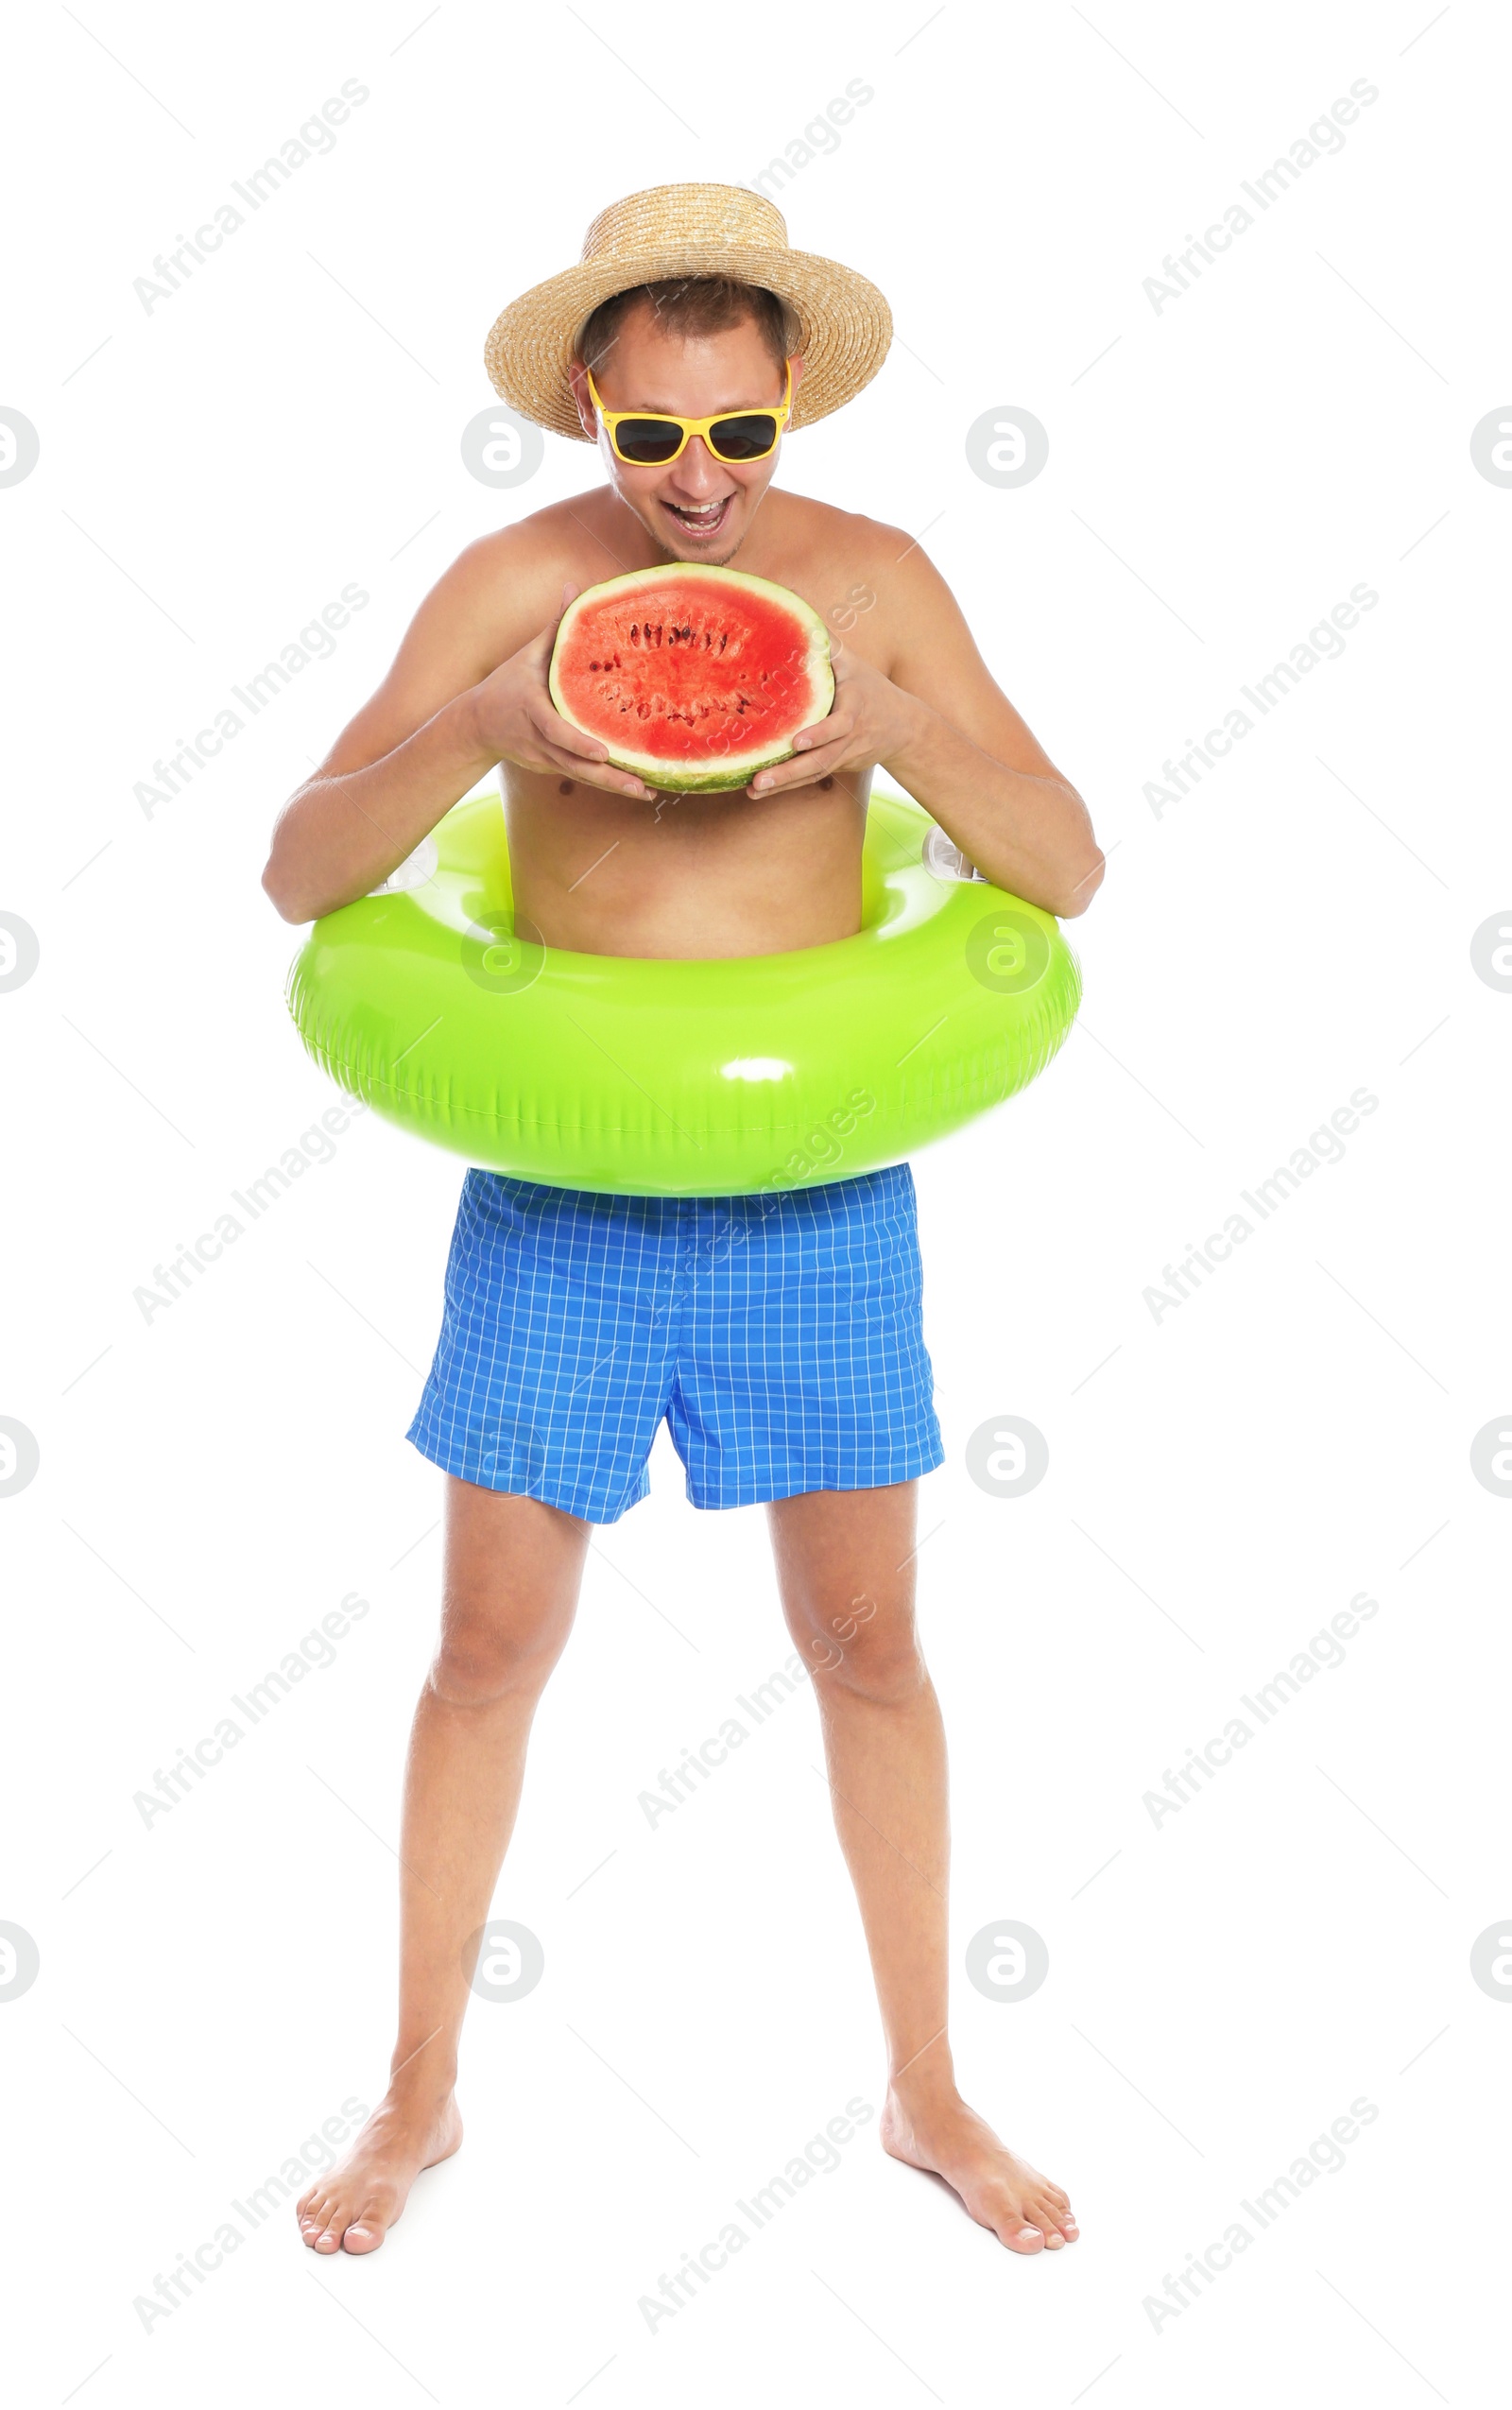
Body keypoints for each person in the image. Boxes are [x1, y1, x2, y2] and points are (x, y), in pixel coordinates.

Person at [262, 181, 1103, 2260]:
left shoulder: (882, 583)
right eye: (652, 436)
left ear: (788, 392)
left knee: (865, 1644)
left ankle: (925, 2089)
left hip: (815, 1193)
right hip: (560, 1183)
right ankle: (417, 2097)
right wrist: (478, 728)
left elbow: (1065, 866)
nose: (700, 483)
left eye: (738, 432)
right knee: (484, 1653)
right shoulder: (508, 581)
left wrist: (891, 727)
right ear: (585, 404)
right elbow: (297, 875)